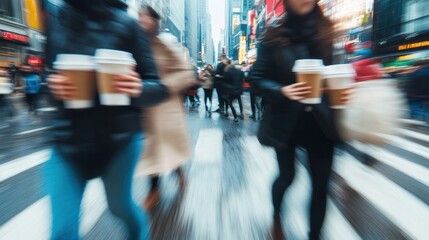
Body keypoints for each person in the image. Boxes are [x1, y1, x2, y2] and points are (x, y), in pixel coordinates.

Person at [44, 0, 168, 239]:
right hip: (66, 139)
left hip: (118, 142)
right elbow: (49, 76)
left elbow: (158, 88)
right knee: (62, 231)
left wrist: (138, 87)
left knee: (120, 208)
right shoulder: (56, 17)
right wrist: (52, 85)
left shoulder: (129, 25)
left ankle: (140, 233)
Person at [249, 0, 350, 239]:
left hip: (322, 122)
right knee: (287, 176)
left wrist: (343, 90)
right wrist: (282, 91)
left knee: (321, 183)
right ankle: (276, 215)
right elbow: (256, 78)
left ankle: (314, 235)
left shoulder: (329, 31)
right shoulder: (272, 35)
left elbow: (338, 72)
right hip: (286, 121)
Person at [136, 5, 193, 211]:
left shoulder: (166, 42)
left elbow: (186, 72)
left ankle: (177, 172)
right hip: (147, 109)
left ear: (154, 20)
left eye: (145, 17)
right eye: (139, 16)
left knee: (166, 149)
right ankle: (154, 191)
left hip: (166, 108)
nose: (141, 20)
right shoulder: (137, 43)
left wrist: (164, 86)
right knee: (152, 152)